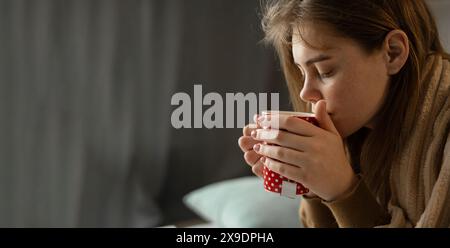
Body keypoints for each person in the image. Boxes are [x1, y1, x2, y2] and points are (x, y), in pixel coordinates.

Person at [238, 0, 450, 227]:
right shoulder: (361, 131)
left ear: (393, 53)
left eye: (324, 71)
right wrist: (311, 181)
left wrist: (343, 190)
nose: (304, 93)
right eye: (302, 72)